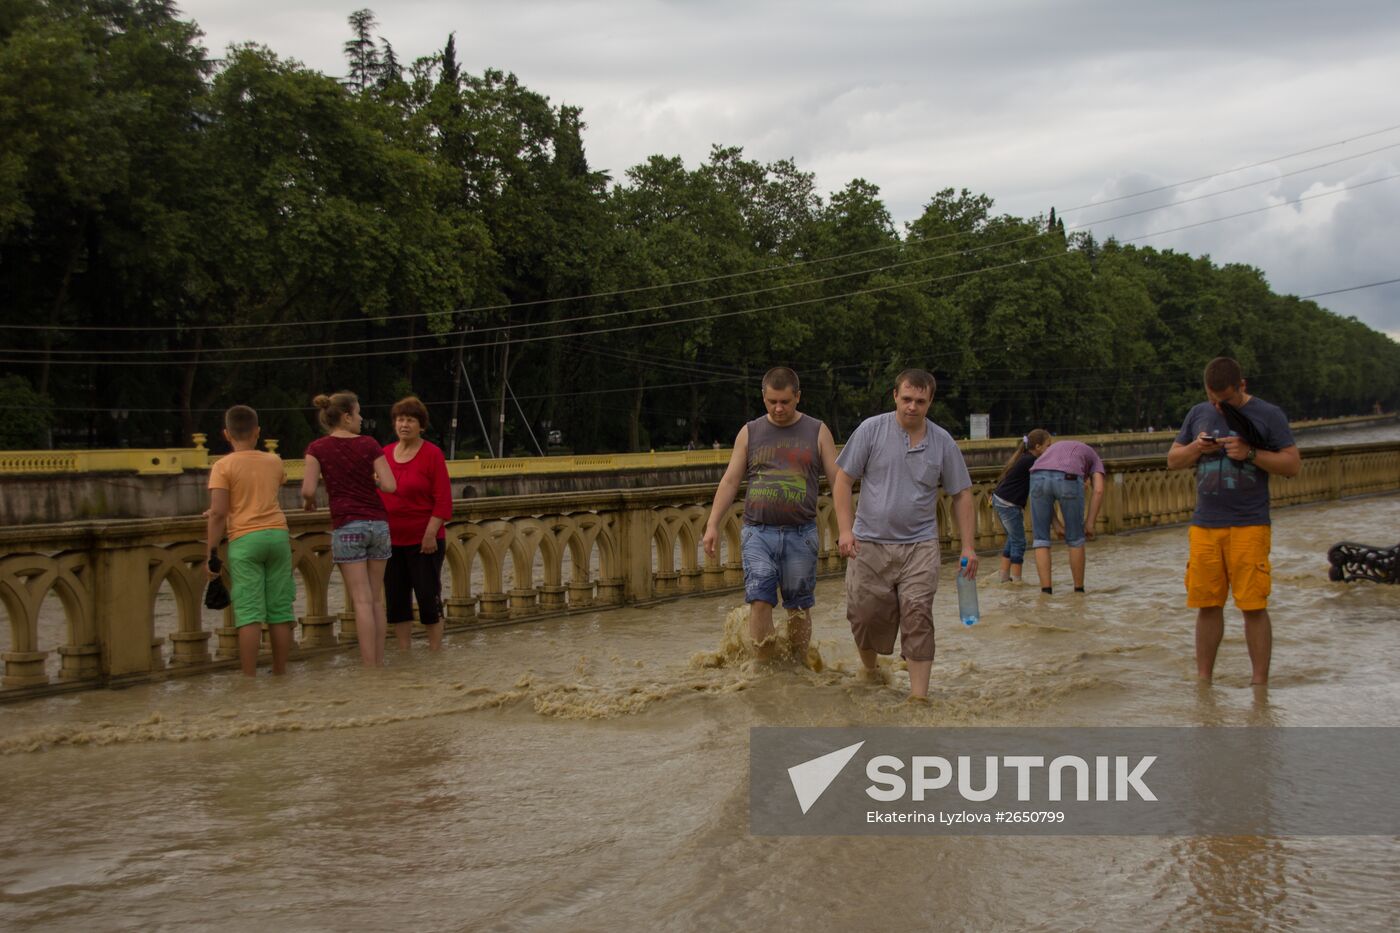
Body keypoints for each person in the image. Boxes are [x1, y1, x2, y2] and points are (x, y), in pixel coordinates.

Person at [832, 369, 977, 700]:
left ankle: (918, 698)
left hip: (920, 546)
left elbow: (962, 493)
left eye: (920, 401)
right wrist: (844, 530)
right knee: (864, 615)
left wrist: (968, 546)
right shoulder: (871, 430)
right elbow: (843, 480)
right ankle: (871, 672)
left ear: (930, 402)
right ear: (895, 396)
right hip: (868, 542)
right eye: (907, 399)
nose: (913, 406)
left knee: (918, 614)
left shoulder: (942, 442)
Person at [1167, 357, 1300, 684]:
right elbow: (1173, 460)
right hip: (1205, 524)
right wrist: (1197, 447)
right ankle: (1204, 682)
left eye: (1225, 400)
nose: (1218, 406)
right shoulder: (1197, 413)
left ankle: (1259, 686)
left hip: (1249, 523)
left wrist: (1250, 453)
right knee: (1207, 605)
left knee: (1253, 605)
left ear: (1242, 386)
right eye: (1213, 399)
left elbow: (1292, 464)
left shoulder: (1269, 414)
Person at [702, 367, 839, 661]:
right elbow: (730, 481)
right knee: (760, 600)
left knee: (798, 607)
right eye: (772, 401)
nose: (778, 408)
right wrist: (712, 524)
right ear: (763, 397)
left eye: (785, 402)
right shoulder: (749, 432)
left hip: (801, 533)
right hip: (758, 532)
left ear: (798, 397)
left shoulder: (818, 431)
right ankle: (764, 669)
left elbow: (838, 481)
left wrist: (848, 529)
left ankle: (798, 666)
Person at [302, 391, 397, 668]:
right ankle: (379, 661)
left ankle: (369, 667)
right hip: (378, 524)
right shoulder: (369, 444)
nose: (361, 418)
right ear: (346, 417)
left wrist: (309, 503)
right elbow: (390, 485)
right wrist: (373, 481)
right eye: (358, 413)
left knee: (362, 601)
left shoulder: (317, 448)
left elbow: (308, 490)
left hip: (347, 526)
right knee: (376, 600)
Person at [204, 405, 296, 676]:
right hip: (277, 535)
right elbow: (272, 486)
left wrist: (211, 553)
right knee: (280, 610)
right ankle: (279, 672)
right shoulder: (274, 461)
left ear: (226, 434)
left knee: (249, 613)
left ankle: (249, 678)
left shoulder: (222, 466)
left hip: (245, 538)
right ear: (257, 432)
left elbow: (219, 513)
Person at [378, 396, 453, 652]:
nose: (404, 425)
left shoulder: (432, 454)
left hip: (424, 540)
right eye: (400, 419)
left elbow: (443, 500)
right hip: (391, 541)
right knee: (396, 599)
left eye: (410, 420)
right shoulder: (384, 454)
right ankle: (404, 651)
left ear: (421, 425)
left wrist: (430, 534)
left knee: (427, 596)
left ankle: (435, 650)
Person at [1028, 437, 1107, 594]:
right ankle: (1078, 591)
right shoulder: (1095, 458)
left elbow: (1048, 485)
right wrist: (1090, 523)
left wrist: (1056, 524)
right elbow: (1098, 490)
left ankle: (1046, 592)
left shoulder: (1054, 449)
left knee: (1041, 539)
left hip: (1037, 474)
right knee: (1076, 539)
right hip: (1069, 477)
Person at [991, 429, 1052, 583]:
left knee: (1013, 538)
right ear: (1038, 447)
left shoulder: (1026, 458)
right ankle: (1016, 580)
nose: (1050, 449)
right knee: (1019, 542)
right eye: (1048, 445)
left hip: (1001, 500)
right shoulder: (1031, 461)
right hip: (1008, 504)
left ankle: (1004, 577)